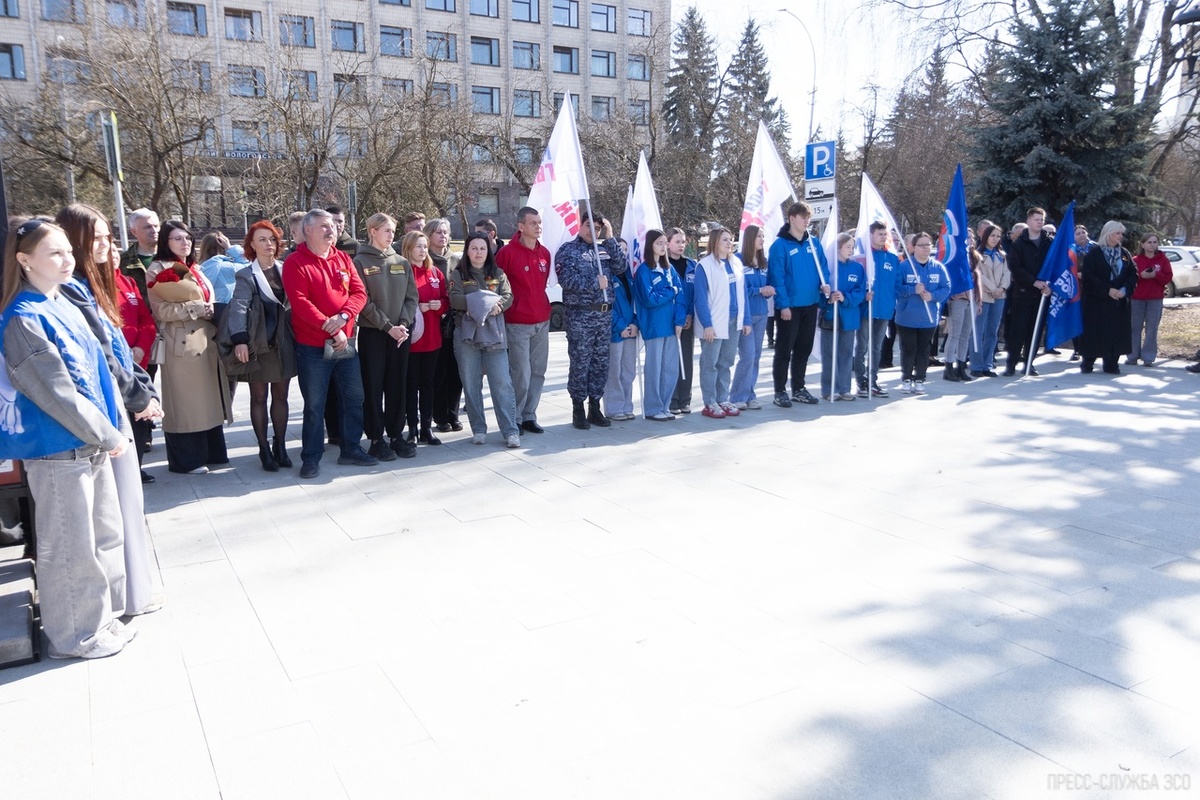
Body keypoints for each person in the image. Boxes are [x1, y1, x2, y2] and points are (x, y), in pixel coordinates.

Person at [1, 219, 134, 658]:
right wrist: (107, 431)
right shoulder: (22, 316)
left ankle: (100, 619)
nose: (67, 260)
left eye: (67, 252)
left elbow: (98, 368)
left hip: (89, 442)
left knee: (100, 536)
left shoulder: (62, 303)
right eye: (54, 253)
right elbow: (56, 391)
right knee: (69, 546)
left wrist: (111, 425)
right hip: (58, 447)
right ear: (24, 260)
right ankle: (74, 635)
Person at [56, 204, 164, 617]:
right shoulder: (73, 290)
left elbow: (119, 346)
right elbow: (103, 356)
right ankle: (126, 596)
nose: (106, 245)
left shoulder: (93, 286)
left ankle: (135, 589)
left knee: (128, 504)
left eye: (107, 237)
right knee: (116, 508)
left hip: (121, 398)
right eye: (96, 238)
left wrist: (145, 389)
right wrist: (140, 398)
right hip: (105, 407)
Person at [282, 209, 377, 478]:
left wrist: (344, 317)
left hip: (345, 342)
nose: (331, 230)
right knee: (315, 403)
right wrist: (331, 328)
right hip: (313, 347)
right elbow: (300, 304)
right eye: (324, 226)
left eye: (334, 226)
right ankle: (311, 457)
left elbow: (360, 293)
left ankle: (351, 449)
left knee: (353, 398)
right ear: (308, 230)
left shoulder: (343, 258)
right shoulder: (295, 262)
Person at [146, 220, 231, 474]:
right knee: (186, 403)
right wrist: (195, 308)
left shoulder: (195, 267)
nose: (185, 243)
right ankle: (186, 460)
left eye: (187, 238)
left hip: (205, 339)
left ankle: (212, 452)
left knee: (207, 400)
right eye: (177, 238)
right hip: (181, 341)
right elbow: (160, 310)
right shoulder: (159, 269)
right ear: (165, 242)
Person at [226, 220, 297, 471]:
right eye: (262, 240)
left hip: (284, 341)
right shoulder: (246, 274)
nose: (269, 244)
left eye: (272, 239)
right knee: (259, 396)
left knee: (282, 395)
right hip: (258, 342)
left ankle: (280, 445)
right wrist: (240, 340)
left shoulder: (285, 268)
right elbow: (239, 307)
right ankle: (263, 448)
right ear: (252, 246)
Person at [353, 213, 418, 461]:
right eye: (387, 230)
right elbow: (363, 301)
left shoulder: (402, 261)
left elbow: (411, 297)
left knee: (397, 385)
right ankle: (376, 438)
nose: (392, 235)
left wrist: (402, 324)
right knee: (373, 386)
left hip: (400, 334)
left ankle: (396, 435)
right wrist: (387, 326)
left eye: (393, 230)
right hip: (375, 334)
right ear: (373, 231)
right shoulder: (360, 262)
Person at [449, 232, 521, 447]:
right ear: (467, 251)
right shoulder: (458, 274)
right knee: (471, 385)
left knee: (502, 383)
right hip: (467, 336)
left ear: (488, 251)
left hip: (494, 335)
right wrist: (482, 302)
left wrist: (496, 305)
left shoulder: (498, 273)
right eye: (474, 248)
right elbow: (455, 299)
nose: (478, 252)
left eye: (482, 248)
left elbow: (508, 296)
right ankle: (479, 429)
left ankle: (510, 431)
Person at [555, 210, 625, 429]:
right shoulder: (568, 250)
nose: (592, 232)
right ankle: (578, 408)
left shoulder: (604, 249)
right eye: (588, 227)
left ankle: (595, 406)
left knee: (600, 363)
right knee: (580, 362)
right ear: (580, 225)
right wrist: (596, 282)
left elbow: (621, 267)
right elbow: (567, 280)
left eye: (597, 228)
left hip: (604, 315)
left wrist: (610, 236)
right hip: (581, 315)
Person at [496, 206, 553, 434]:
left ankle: (530, 414)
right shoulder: (507, 253)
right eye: (533, 223)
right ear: (521, 227)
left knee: (538, 370)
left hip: (542, 320)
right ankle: (516, 417)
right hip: (517, 323)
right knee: (521, 373)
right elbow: (497, 285)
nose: (538, 227)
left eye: (539, 223)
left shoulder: (545, 253)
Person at [768, 202, 828, 407]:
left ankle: (799, 388)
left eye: (808, 218)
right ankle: (779, 390)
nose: (806, 221)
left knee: (804, 348)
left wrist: (825, 285)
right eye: (803, 217)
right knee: (784, 349)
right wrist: (783, 305)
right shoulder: (780, 246)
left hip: (810, 305)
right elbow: (777, 277)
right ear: (792, 218)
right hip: (789, 307)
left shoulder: (814, 243)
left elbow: (823, 268)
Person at [695, 227, 751, 418]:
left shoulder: (736, 263)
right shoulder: (705, 266)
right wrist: (707, 325)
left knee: (726, 362)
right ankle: (710, 402)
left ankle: (722, 398)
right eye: (725, 240)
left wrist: (746, 320)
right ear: (715, 242)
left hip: (734, 320)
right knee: (710, 363)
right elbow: (700, 299)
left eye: (731, 239)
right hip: (715, 323)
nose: (729, 243)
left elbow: (742, 294)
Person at [402, 230, 449, 445]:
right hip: (411, 342)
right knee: (411, 385)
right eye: (418, 246)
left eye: (424, 246)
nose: (422, 250)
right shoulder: (403, 272)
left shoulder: (435, 273)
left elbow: (446, 299)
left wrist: (440, 305)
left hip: (432, 339)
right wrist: (415, 307)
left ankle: (426, 428)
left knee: (428, 385)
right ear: (409, 248)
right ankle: (412, 427)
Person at [634, 229, 685, 421]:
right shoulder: (644, 271)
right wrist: (669, 292)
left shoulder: (669, 269)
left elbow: (681, 295)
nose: (663, 247)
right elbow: (649, 299)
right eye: (659, 243)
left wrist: (680, 320)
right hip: (654, 326)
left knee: (670, 368)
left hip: (671, 326)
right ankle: (653, 408)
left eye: (665, 243)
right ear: (650, 245)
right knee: (654, 368)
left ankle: (664, 405)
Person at [894, 232, 951, 395]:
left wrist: (932, 296)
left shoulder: (937, 267)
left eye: (928, 245)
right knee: (908, 348)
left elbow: (946, 287)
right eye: (921, 245)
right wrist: (913, 290)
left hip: (928, 318)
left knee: (924, 350)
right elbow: (896, 289)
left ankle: (920, 379)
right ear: (913, 248)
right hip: (907, 318)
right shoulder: (905, 266)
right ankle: (906, 378)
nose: (926, 248)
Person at [1078, 221, 1138, 375]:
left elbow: (1132, 273)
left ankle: (1111, 364)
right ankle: (1088, 362)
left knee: (1116, 332)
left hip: (1118, 301)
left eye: (1121, 233)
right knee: (1095, 331)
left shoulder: (1124, 254)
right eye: (1117, 233)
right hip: (1097, 301)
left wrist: (1124, 289)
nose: (1120, 236)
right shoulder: (1094, 253)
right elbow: (1089, 276)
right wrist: (1108, 290)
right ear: (1108, 233)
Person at [424, 218, 463, 433]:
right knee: (437, 372)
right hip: (432, 322)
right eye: (438, 232)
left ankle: (453, 412)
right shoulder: (425, 259)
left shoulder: (456, 259)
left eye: (446, 232)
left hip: (454, 320)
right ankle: (439, 415)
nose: (443, 236)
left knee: (455, 371)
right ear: (429, 235)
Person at [1004, 208, 1053, 376]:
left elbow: (1055, 265)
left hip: (1042, 294)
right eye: (1037, 219)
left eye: (1042, 219)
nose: (1040, 222)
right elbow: (1015, 267)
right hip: (1023, 292)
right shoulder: (1019, 243)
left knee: (1035, 330)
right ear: (1029, 221)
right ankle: (1011, 364)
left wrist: (1048, 284)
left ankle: (1029, 363)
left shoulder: (1049, 243)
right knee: (1018, 329)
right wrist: (1033, 281)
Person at [853, 222, 899, 397]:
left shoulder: (892, 258)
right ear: (871, 235)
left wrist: (893, 302)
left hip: (884, 309)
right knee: (862, 346)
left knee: (877, 347)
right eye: (880, 233)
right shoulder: (862, 258)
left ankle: (873, 381)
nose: (883, 236)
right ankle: (861, 382)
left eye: (884, 234)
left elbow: (897, 284)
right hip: (866, 309)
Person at [819, 233, 867, 401]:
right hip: (831, 316)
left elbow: (860, 291)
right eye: (848, 247)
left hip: (849, 317)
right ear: (839, 247)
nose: (851, 250)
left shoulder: (857, 268)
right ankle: (828, 388)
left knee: (846, 353)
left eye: (852, 247)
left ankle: (845, 388)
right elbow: (820, 289)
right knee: (829, 353)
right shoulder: (829, 266)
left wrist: (846, 298)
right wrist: (829, 298)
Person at [731, 225, 773, 409]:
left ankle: (749, 394)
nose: (762, 240)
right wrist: (758, 290)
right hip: (746, 315)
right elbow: (738, 290)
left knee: (756, 356)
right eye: (759, 236)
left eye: (763, 236)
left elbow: (768, 285)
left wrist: (768, 291)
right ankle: (738, 396)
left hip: (762, 314)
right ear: (749, 238)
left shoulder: (764, 261)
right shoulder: (738, 260)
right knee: (747, 356)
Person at [969, 224, 1011, 377]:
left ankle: (987, 364)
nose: (995, 239)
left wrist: (1002, 288)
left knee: (992, 332)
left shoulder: (1002, 255)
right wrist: (993, 288)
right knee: (978, 331)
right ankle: (976, 364)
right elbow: (979, 274)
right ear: (985, 236)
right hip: (983, 295)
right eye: (992, 235)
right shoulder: (977, 254)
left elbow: (1006, 274)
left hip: (999, 296)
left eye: (998, 236)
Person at [605, 243, 639, 422]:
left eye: (625, 249)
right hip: (616, 332)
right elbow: (607, 305)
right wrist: (620, 326)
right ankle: (614, 407)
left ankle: (627, 405)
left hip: (631, 330)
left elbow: (636, 302)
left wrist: (634, 323)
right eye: (619, 248)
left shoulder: (629, 275)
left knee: (628, 371)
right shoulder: (607, 275)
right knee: (614, 371)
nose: (622, 252)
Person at [1129, 232, 1172, 366]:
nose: (1152, 245)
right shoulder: (1136, 260)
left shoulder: (1163, 260)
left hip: (1155, 299)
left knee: (1152, 328)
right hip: (1137, 298)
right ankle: (1132, 355)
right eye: (1149, 242)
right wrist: (1141, 276)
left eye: (1154, 242)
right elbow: (1129, 278)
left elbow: (1168, 277)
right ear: (1142, 244)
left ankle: (1148, 357)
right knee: (1135, 327)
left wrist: (1155, 275)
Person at [667, 227, 697, 415]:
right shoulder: (663, 264)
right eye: (677, 241)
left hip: (688, 319)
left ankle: (684, 399)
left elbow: (696, 294)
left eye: (683, 241)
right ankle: (672, 399)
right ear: (668, 243)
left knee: (686, 358)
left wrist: (690, 314)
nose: (681, 245)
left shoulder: (692, 265)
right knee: (670, 360)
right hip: (670, 319)